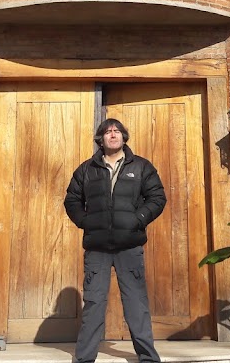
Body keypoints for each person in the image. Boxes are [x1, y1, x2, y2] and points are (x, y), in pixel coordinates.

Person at [64, 118, 167, 363]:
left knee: (136, 304)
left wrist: (138, 219)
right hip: (97, 248)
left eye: (117, 131)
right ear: (101, 138)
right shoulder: (86, 169)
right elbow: (72, 200)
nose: (113, 134)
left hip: (129, 246)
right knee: (94, 303)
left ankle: (148, 358)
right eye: (108, 131)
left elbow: (157, 197)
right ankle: (84, 359)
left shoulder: (141, 166)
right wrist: (86, 222)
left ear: (124, 137)